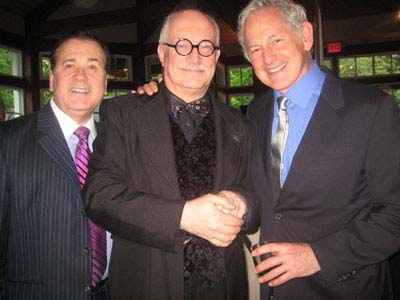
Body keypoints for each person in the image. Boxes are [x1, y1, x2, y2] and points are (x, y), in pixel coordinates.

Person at [84, 7, 259, 300]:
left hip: (225, 287)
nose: (194, 56)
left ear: (216, 57)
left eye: (205, 47)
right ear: (163, 54)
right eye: (182, 45)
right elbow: (99, 196)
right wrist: (183, 216)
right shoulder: (123, 113)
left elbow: (257, 195)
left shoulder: (240, 122)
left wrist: (243, 202)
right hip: (148, 283)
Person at [236, 0, 400, 299]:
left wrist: (317, 256)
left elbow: (395, 214)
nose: (267, 57)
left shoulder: (372, 109)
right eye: (255, 49)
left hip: (346, 289)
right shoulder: (256, 112)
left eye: (276, 40)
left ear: (306, 36)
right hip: (274, 291)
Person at [0, 31, 111, 300]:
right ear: (52, 78)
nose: (81, 76)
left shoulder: (117, 143)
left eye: (92, 67)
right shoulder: (7, 141)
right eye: (69, 65)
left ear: (105, 83)